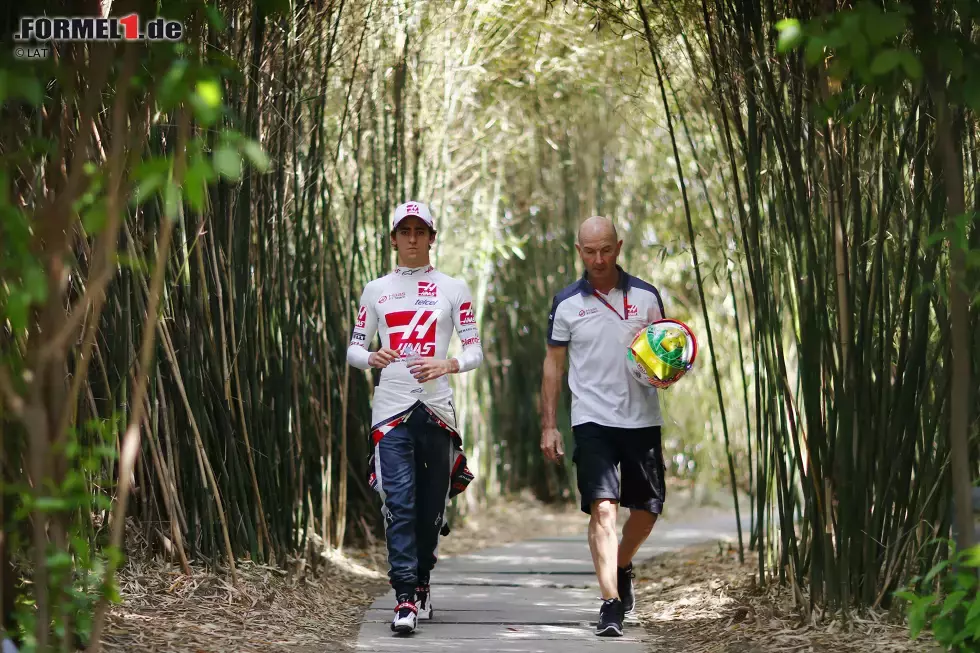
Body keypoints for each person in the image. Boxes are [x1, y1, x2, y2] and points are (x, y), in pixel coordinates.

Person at [347, 201, 483, 635]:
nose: (411, 238)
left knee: (430, 510)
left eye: (419, 231)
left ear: (431, 237)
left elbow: (475, 349)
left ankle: (423, 578)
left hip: (437, 410)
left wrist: (449, 365)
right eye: (403, 231)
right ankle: (404, 596)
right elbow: (353, 348)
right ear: (392, 239)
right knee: (399, 505)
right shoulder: (376, 290)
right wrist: (372, 356)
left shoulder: (453, 288)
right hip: (390, 411)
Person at [539, 216, 667, 637]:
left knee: (647, 511)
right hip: (591, 419)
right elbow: (554, 366)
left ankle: (622, 562)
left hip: (642, 418)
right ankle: (610, 602)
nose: (598, 258)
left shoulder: (647, 297)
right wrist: (550, 426)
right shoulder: (567, 303)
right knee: (604, 508)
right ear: (579, 251)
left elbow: (665, 352)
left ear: (619, 246)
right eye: (590, 251)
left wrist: (669, 370)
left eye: (606, 249)